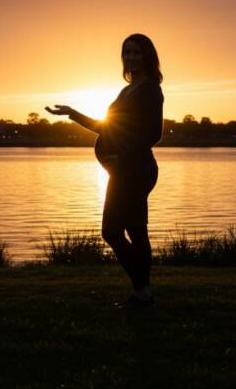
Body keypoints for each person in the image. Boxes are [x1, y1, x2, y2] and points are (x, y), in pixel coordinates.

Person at [46, 33, 164, 310]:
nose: (131, 57)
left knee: (112, 231)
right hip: (124, 170)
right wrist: (72, 113)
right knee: (135, 231)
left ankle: (142, 291)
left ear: (147, 56)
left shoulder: (149, 89)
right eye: (127, 52)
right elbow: (106, 127)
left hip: (134, 170)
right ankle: (143, 294)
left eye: (137, 52)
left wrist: (121, 155)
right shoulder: (127, 90)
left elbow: (153, 134)